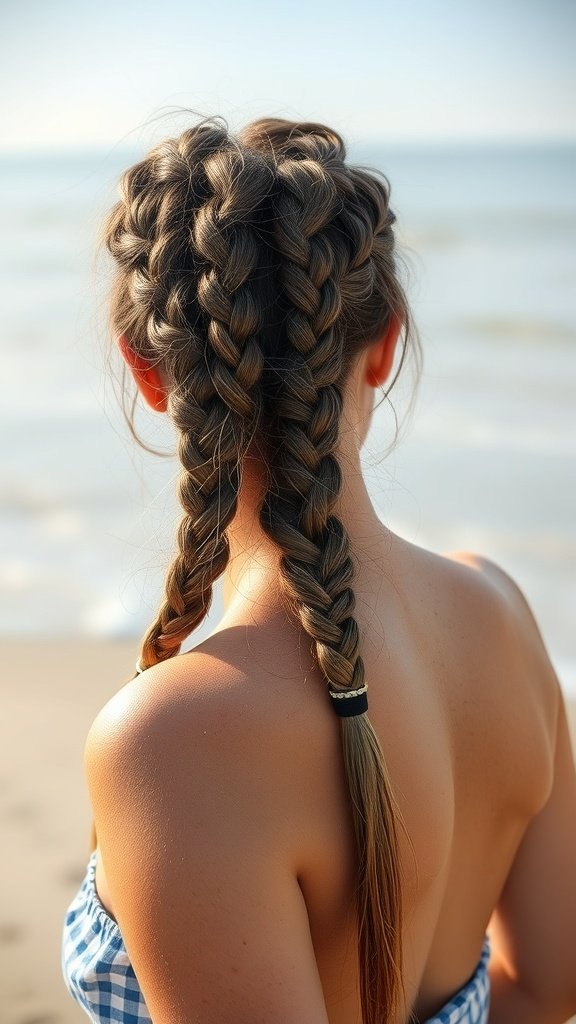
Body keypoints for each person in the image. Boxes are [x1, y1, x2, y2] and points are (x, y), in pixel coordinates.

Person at [61, 116, 576, 1024]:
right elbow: (546, 986)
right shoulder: (502, 611)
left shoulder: (172, 742)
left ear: (149, 374)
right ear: (383, 346)